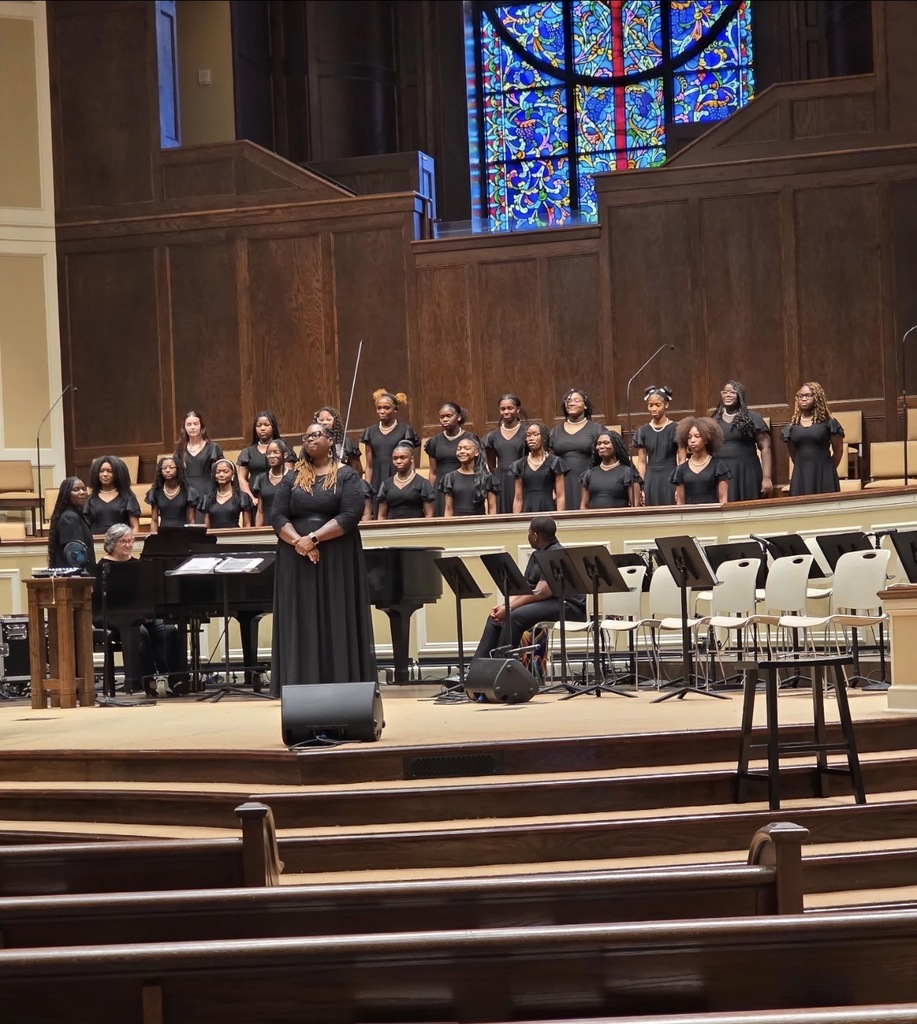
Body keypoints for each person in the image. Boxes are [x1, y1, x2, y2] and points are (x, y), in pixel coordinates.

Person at [270, 423, 376, 692]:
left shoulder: (347, 476)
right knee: (301, 619)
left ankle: (342, 681)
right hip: (296, 559)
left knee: (336, 616)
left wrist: (314, 538)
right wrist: (300, 542)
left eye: (316, 435)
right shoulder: (291, 477)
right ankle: (299, 683)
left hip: (336, 558)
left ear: (331, 441)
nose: (310, 439)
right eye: (306, 436)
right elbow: (277, 516)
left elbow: (351, 515)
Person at [472, 516, 587, 660]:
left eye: (528, 532)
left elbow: (542, 592)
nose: (528, 535)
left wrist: (509, 609)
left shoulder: (555, 554)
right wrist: (505, 606)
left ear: (535, 535)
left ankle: (498, 668)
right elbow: (524, 588)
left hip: (569, 606)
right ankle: (476, 669)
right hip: (550, 603)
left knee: (514, 617)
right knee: (495, 618)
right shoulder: (536, 555)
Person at [94, 524, 188, 697]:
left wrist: (148, 611)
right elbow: (104, 601)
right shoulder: (103, 567)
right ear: (112, 543)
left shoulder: (138, 565)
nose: (128, 545)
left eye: (131, 541)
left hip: (139, 613)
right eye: (123, 541)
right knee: (140, 632)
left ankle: (175, 678)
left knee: (168, 630)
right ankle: (147, 681)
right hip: (110, 614)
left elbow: (147, 593)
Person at [781, 382, 845, 496]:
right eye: (801, 396)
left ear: (817, 398)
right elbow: (793, 455)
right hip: (801, 474)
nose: (804, 399)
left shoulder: (829, 424)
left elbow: (838, 452)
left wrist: (828, 469)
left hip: (824, 473)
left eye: (808, 395)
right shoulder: (792, 427)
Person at [712, 381, 772, 500]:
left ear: (740, 396)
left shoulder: (753, 418)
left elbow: (765, 447)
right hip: (722, 472)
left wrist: (767, 477)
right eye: (725, 392)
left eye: (732, 392)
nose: (728, 395)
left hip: (747, 471)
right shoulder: (713, 420)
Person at [549, 388, 605, 510]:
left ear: (585, 405)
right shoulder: (555, 432)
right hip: (562, 484)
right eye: (568, 401)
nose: (571, 403)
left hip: (589, 482)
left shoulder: (597, 429)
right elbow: (549, 461)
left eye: (576, 400)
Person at [360, 389, 420, 496]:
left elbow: (411, 462)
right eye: (379, 408)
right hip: (377, 478)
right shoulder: (370, 432)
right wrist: (367, 488)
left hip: (398, 477)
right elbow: (369, 466)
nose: (382, 411)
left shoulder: (405, 429)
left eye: (386, 408)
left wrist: (411, 484)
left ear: (395, 409)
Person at [425, 402, 477, 517]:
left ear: (458, 417)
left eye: (449, 416)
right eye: (442, 417)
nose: (444, 419)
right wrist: (431, 493)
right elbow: (433, 472)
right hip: (441, 488)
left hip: (463, 486)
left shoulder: (469, 438)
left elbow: (477, 466)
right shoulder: (434, 441)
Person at [633, 386, 679, 506]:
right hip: (651, 476)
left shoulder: (676, 428)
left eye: (658, 405)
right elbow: (642, 462)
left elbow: (681, 459)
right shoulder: (642, 431)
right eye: (650, 405)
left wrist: (680, 484)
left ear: (666, 405)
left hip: (670, 475)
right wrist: (641, 485)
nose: (653, 408)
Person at [174, 411, 223, 522]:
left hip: (207, 491)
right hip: (186, 492)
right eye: (189, 424)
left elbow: (221, 472)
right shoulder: (180, 449)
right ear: (184, 427)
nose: (192, 427)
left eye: (196, 424)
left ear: (201, 426)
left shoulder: (212, 447)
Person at [510, 421, 568, 513]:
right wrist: (516, 521)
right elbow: (518, 499)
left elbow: (560, 496)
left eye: (535, 434)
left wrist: (559, 517)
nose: (530, 438)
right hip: (528, 508)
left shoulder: (555, 462)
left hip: (548, 507)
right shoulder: (519, 465)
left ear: (543, 437)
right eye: (528, 435)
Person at [483, 394, 527, 515]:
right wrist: (498, 475)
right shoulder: (492, 436)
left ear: (518, 409)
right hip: (501, 479)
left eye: (510, 408)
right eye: (503, 409)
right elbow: (491, 465)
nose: (506, 412)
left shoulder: (527, 432)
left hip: (523, 477)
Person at [672, 417, 731, 504]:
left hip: (712, 513)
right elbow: (680, 503)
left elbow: (723, 499)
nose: (692, 440)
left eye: (697, 436)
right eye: (689, 437)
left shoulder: (718, 466)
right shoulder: (681, 469)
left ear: (706, 439)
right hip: (689, 515)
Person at [580, 430, 642, 509]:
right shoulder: (588, 474)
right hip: (594, 520)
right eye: (598, 444)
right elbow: (584, 506)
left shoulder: (628, 473)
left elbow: (635, 506)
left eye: (606, 443)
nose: (601, 446)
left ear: (616, 446)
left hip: (619, 520)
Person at [83, 455, 141, 536]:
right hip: (95, 543)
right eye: (101, 471)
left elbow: (134, 527)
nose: (105, 474)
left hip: (121, 542)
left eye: (110, 471)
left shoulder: (128, 497)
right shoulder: (90, 499)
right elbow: (85, 528)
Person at [441, 436, 498, 517]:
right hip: (458, 523)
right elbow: (448, 508)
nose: (461, 451)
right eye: (459, 449)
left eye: (466, 448)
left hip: (479, 523)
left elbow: (492, 508)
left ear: (476, 452)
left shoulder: (487, 477)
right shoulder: (450, 477)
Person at [47, 477, 95, 569]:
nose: (82, 492)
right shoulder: (69, 518)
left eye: (84, 489)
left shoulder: (76, 515)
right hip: (75, 577)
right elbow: (75, 555)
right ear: (67, 494)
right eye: (76, 490)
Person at [377, 442, 435, 520]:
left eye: (402, 458)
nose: (398, 461)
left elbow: (429, 515)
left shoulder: (422, 483)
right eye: (395, 458)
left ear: (411, 459)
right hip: (391, 529)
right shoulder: (386, 484)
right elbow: (381, 516)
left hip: (416, 528)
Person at [145, 455, 199, 532]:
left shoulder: (188, 491)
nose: (167, 470)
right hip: (163, 534)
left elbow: (191, 521)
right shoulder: (155, 492)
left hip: (182, 534)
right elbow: (154, 520)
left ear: (178, 469)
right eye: (164, 468)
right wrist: (153, 539)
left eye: (171, 467)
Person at [237, 411, 281, 501]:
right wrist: (251, 498)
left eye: (266, 425)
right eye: (259, 425)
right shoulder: (248, 452)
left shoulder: (283, 448)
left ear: (273, 427)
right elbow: (241, 478)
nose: (262, 428)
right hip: (255, 497)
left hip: (279, 495)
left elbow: (289, 475)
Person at [200, 459, 254, 528]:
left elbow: (247, 525)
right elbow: (207, 527)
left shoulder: (242, 496)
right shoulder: (207, 498)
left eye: (225, 472)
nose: (221, 475)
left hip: (235, 536)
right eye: (218, 472)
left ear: (233, 474)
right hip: (214, 537)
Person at [252, 439, 293, 527]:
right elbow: (260, 510)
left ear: (285, 455)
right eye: (269, 453)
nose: (271, 456)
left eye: (276, 452)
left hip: (288, 528)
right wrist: (257, 531)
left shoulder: (293, 477)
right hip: (267, 527)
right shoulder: (260, 479)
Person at [314, 406, 363, 475]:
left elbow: (356, 469)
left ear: (335, 421)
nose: (324, 423)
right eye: (321, 420)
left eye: (328, 419)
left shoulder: (346, 442)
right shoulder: (311, 443)